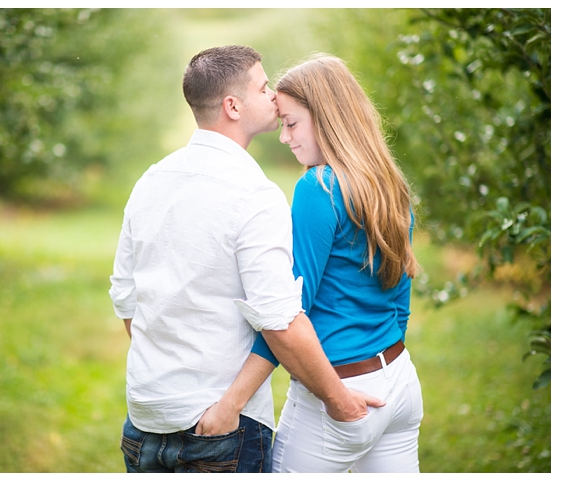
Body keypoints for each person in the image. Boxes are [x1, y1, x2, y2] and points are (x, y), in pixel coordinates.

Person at [109, 45, 383, 473]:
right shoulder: (254, 195)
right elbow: (279, 320)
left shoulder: (150, 179)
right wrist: (336, 399)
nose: (274, 96)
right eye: (263, 87)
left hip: (144, 417)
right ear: (232, 106)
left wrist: (164, 373)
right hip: (222, 429)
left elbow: (125, 297)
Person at [247, 52, 424, 472]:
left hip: (340, 391)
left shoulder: (319, 186)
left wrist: (235, 397)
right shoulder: (387, 182)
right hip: (399, 379)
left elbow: (289, 308)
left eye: (290, 123)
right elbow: (401, 300)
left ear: (327, 117)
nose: (284, 137)